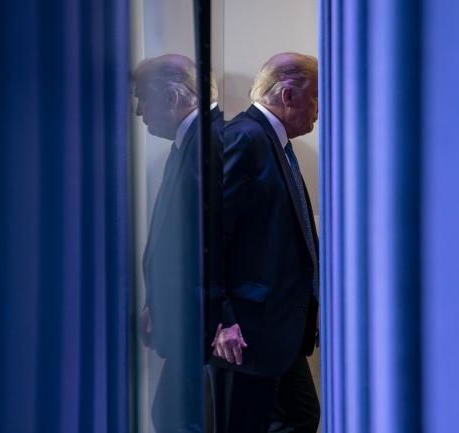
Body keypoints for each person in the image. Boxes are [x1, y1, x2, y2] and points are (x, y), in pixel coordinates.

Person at [209, 52, 321, 433]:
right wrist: (221, 318)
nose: (318, 111)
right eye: (316, 97)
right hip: (245, 331)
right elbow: (208, 234)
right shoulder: (245, 137)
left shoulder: (273, 143)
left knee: (298, 416)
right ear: (288, 95)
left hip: (276, 327)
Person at [133, 53, 224, 433]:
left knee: (176, 418)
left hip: (199, 321)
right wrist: (156, 303)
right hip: (187, 319)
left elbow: (215, 242)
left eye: (143, 99)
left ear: (172, 97)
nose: (139, 112)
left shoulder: (210, 144)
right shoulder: (190, 144)